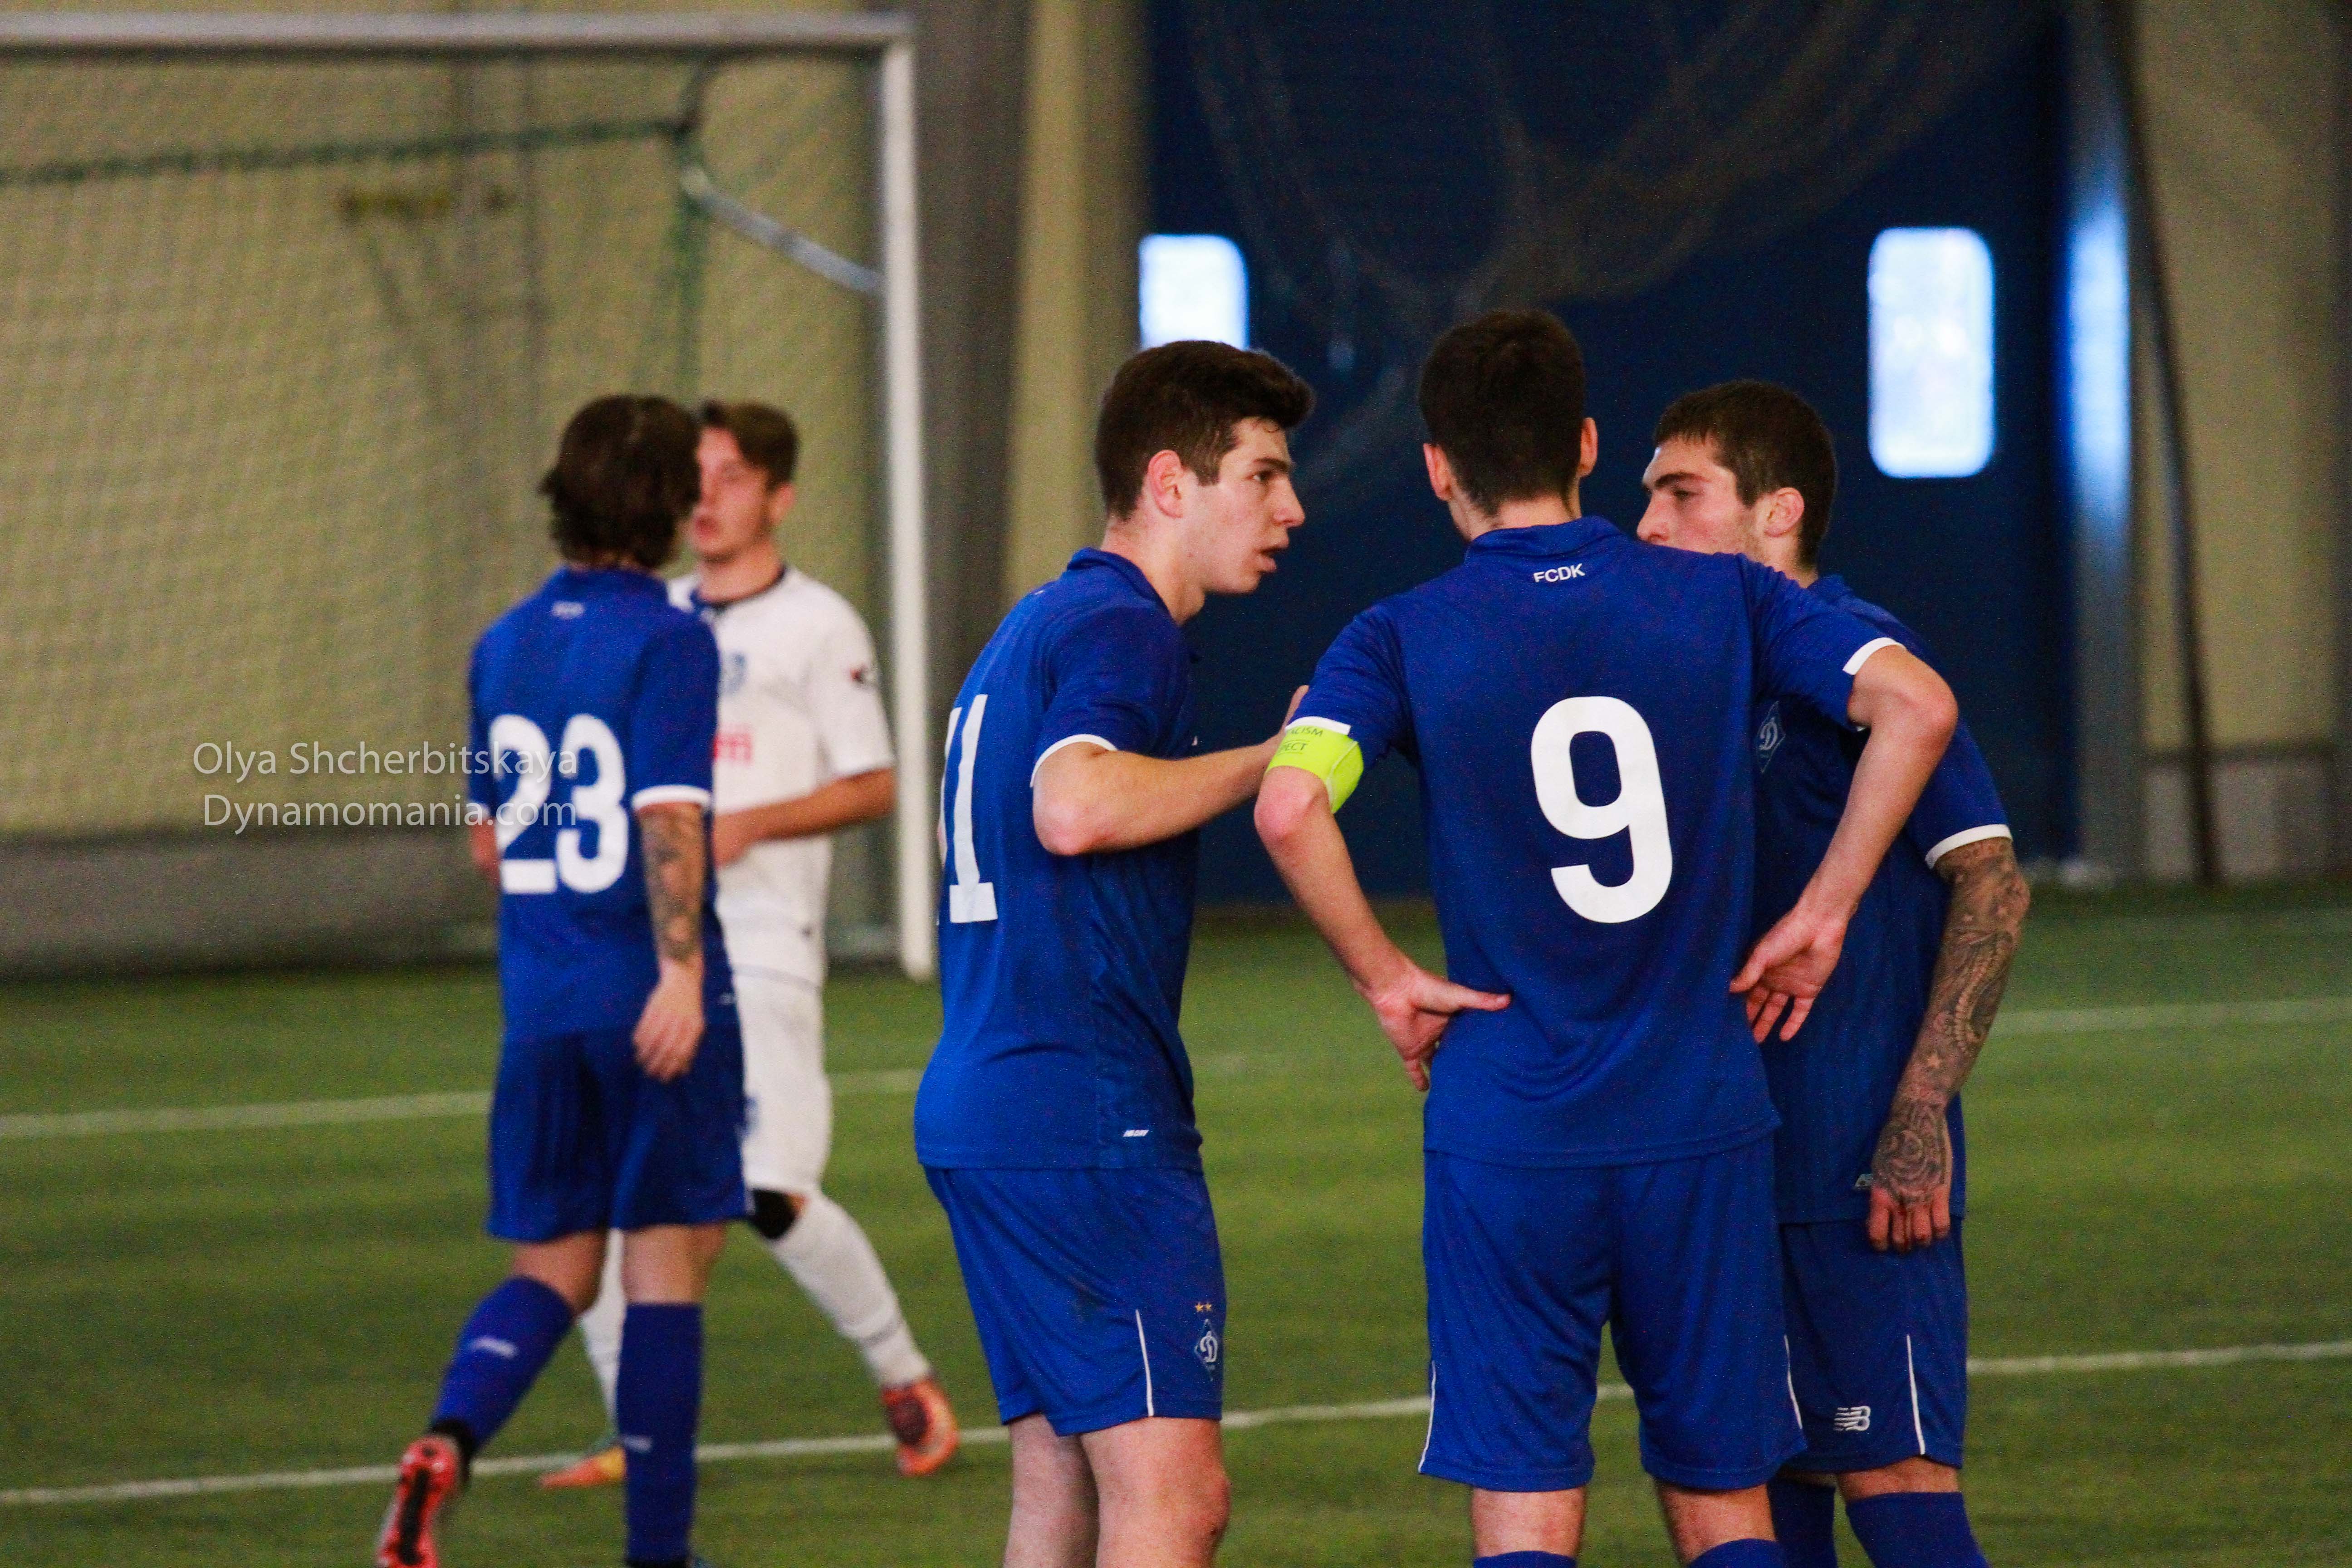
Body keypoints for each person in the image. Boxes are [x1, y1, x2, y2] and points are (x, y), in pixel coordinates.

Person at [1254, 310, 1960, 1568]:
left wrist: (1389, 980)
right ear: (1585, 444)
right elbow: (1917, 705)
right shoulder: (1729, 595)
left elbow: (1289, 806)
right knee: (1724, 1497)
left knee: (1527, 1507)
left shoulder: (1395, 634)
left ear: (1437, 465)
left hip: (1510, 1128)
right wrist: (1827, 908)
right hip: (1699, 1118)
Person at [914, 339, 1313, 1568]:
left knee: (1062, 1491)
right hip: (1085, 1118)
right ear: (1170, 483)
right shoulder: (1123, 627)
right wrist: (1276, 760)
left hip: (991, 1104)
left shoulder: (1033, 624)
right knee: (1176, 1502)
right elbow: (1075, 806)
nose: (1292, 509)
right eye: (1263, 476)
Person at [1637, 381, 2029, 1568]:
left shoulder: (1869, 663)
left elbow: (1992, 883)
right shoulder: (1708, 677)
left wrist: (1918, 1113)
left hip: (1855, 1163)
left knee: (1896, 1482)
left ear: (1780, 512)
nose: (1647, 524)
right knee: (1763, 1487)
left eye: (1680, 494)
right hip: (1730, 1164)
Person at [542, 400, 958, 1491]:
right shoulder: (655, 614)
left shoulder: (819, 625)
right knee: (618, 1199)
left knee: (768, 1193)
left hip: (765, 942)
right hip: (645, 952)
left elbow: (875, 782)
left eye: (733, 477)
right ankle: (632, 1434)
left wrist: (748, 825)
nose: (708, 496)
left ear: (780, 497)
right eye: (699, 476)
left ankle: (903, 1375)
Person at [377, 395, 740, 1568]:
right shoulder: (673, 638)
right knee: (665, 1266)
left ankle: (447, 1439)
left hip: (540, 1009)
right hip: (645, 998)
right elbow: (670, 816)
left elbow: (489, 844)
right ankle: (659, 1555)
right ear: (668, 503)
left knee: (554, 1271)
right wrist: (679, 974)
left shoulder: (502, 643)